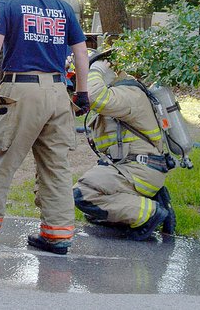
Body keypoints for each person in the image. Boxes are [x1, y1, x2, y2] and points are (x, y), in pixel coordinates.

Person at [0, 0, 89, 255]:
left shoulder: (8, 2)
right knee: (56, 167)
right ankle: (57, 235)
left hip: (20, 91)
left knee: (2, 159)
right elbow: (81, 53)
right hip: (59, 93)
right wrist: (82, 94)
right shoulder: (64, 8)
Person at [73, 54, 175, 239]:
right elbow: (80, 104)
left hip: (138, 170)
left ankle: (150, 212)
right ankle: (147, 200)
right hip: (132, 167)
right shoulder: (119, 93)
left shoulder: (130, 94)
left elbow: (94, 96)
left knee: (83, 193)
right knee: (95, 214)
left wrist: (96, 69)